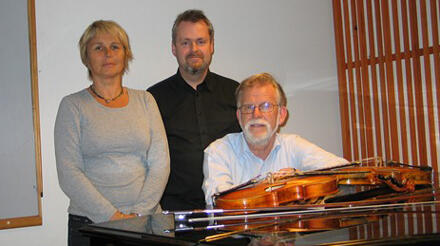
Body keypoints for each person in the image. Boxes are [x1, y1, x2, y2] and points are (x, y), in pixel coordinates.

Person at [54, 20, 170, 246]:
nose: (108, 53)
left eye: (115, 46)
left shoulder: (145, 100)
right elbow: (69, 172)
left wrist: (137, 217)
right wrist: (113, 218)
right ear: (86, 57)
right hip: (91, 224)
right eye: (98, 47)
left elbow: (160, 164)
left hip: (148, 223)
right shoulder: (72, 106)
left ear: (126, 55)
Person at [202, 73, 349, 205]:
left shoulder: (294, 145)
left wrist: (301, 180)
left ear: (282, 115)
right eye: (248, 107)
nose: (256, 114)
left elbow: (347, 172)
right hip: (238, 235)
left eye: (266, 106)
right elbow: (222, 204)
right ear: (239, 116)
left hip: (292, 233)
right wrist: (274, 191)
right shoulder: (218, 152)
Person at [148, 9, 241, 210]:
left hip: (230, 211)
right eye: (185, 42)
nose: (194, 49)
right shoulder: (153, 99)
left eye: (201, 41)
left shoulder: (236, 93)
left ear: (212, 46)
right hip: (174, 215)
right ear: (174, 48)